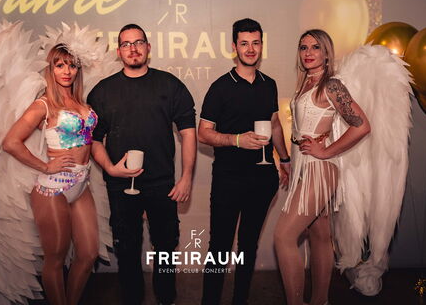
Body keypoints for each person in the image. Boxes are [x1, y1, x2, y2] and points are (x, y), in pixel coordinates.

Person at [3, 43, 133, 305]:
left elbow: (91, 142)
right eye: (60, 65)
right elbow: (10, 142)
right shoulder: (44, 104)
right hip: (53, 188)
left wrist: (110, 166)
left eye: (72, 65)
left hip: (81, 185)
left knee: (88, 254)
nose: (67, 71)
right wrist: (45, 166)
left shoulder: (82, 104)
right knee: (55, 259)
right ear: (50, 69)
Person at [88, 23, 197, 305]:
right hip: (120, 184)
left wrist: (186, 177)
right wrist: (110, 168)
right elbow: (93, 140)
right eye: (126, 44)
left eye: (138, 43)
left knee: (166, 247)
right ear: (119, 51)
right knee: (127, 250)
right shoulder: (103, 92)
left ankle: (166, 299)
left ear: (148, 47)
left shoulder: (170, 85)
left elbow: (188, 133)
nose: (133, 49)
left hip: (162, 184)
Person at [274, 29, 371, 305]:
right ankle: (320, 301)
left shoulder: (332, 85)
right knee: (319, 235)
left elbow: (362, 126)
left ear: (326, 53)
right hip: (303, 166)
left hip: (319, 169)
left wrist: (326, 150)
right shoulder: (306, 81)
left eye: (315, 47)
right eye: (303, 47)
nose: (308, 53)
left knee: (283, 236)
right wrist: (290, 163)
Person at [198, 18, 290, 305]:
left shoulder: (269, 85)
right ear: (234, 47)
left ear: (262, 45)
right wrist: (237, 140)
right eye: (244, 43)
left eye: (255, 43)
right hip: (228, 179)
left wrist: (285, 159)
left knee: (249, 246)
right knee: (220, 247)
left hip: (263, 179)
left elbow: (275, 124)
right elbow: (203, 133)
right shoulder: (221, 87)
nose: (250, 49)